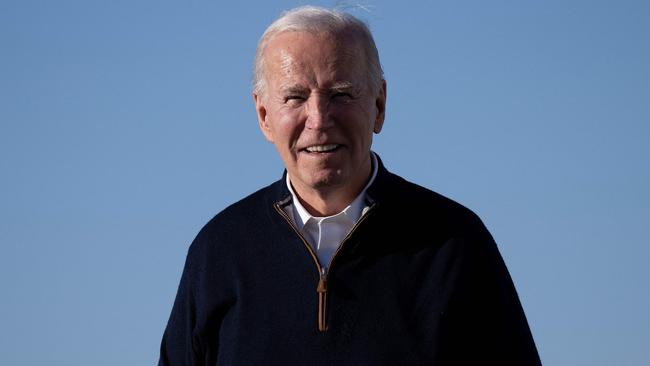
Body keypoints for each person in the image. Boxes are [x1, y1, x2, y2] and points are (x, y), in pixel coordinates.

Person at [159, 5, 541, 365]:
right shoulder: (220, 250)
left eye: (340, 94)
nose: (319, 119)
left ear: (379, 105)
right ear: (264, 116)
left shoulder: (455, 244)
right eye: (295, 97)